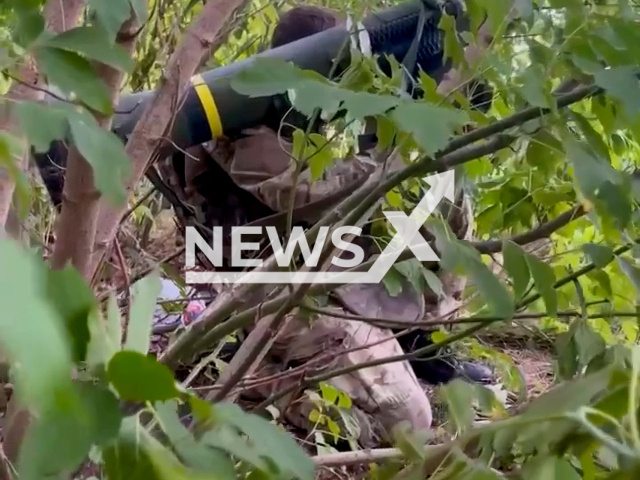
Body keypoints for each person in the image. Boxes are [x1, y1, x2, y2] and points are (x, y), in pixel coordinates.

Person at [175, 4, 497, 448]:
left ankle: (416, 342)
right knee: (407, 423)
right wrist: (393, 152)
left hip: (312, 262)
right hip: (265, 287)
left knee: (433, 219)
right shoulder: (240, 123)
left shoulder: (284, 115)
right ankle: (255, 376)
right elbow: (305, 195)